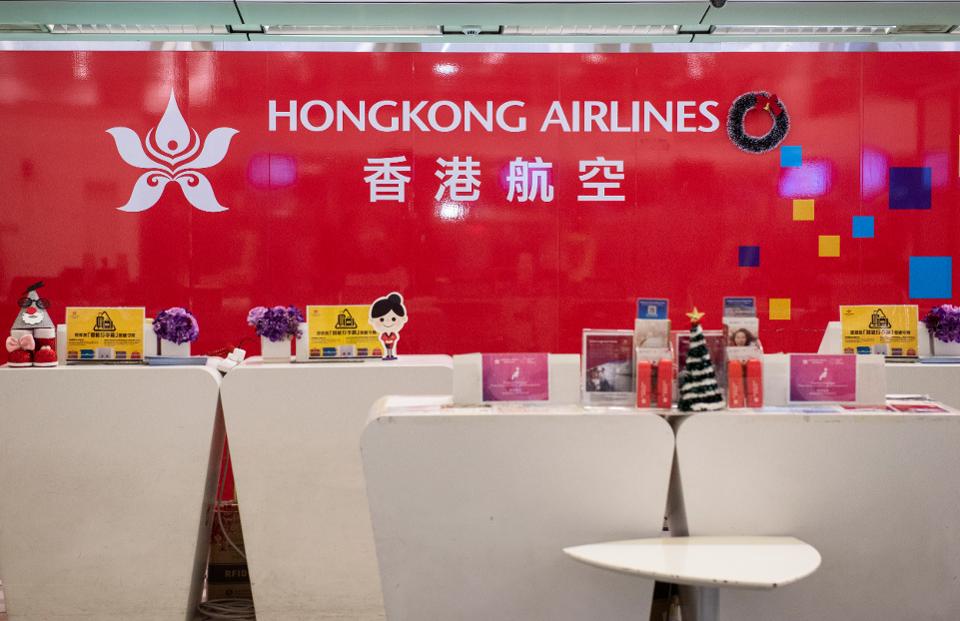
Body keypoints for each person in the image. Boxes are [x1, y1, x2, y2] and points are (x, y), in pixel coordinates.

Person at [369, 292, 408, 360]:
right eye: (381, 319)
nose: (388, 322)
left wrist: (390, 340)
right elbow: (382, 338)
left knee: (390, 349)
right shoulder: (384, 334)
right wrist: (387, 340)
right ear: (372, 320)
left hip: (391, 343)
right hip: (386, 344)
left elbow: (395, 338)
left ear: (403, 319)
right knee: (387, 349)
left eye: (393, 319)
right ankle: (388, 355)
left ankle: (391, 355)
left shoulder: (393, 334)